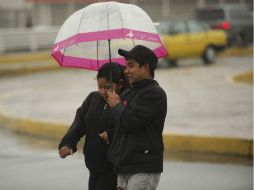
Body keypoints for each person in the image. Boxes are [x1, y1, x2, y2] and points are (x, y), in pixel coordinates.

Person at [58, 62, 128, 190]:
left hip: (114, 169)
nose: (102, 91)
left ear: (120, 84)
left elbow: (127, 127)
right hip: (94, 168)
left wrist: (117, 107)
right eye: (99, 87)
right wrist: (67, 143)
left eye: (107, 87)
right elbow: (79, 122)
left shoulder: (125, 102)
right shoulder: (92, 98)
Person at [106, 45, 167, 190]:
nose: (126, 71)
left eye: (131, 66)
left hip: (143, 167)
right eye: (125, 66)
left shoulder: (155, 94)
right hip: (124, 165)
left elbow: (130, 122)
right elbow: (118, 124)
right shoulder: (127, 94)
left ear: (145, 67)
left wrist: (117, 105)